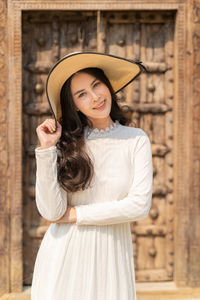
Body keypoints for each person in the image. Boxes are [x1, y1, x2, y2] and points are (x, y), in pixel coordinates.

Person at [31, 52, 153, 300]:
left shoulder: (135, 139)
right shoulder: (65, 143)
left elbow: (139, 206)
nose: (95, 97)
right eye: (82, 94)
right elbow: (52, 212)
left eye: (97, 85)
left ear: (107, 85)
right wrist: (46, 150)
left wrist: (77, 214)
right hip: (63, 258)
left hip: (111, 262)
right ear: (74, 104)